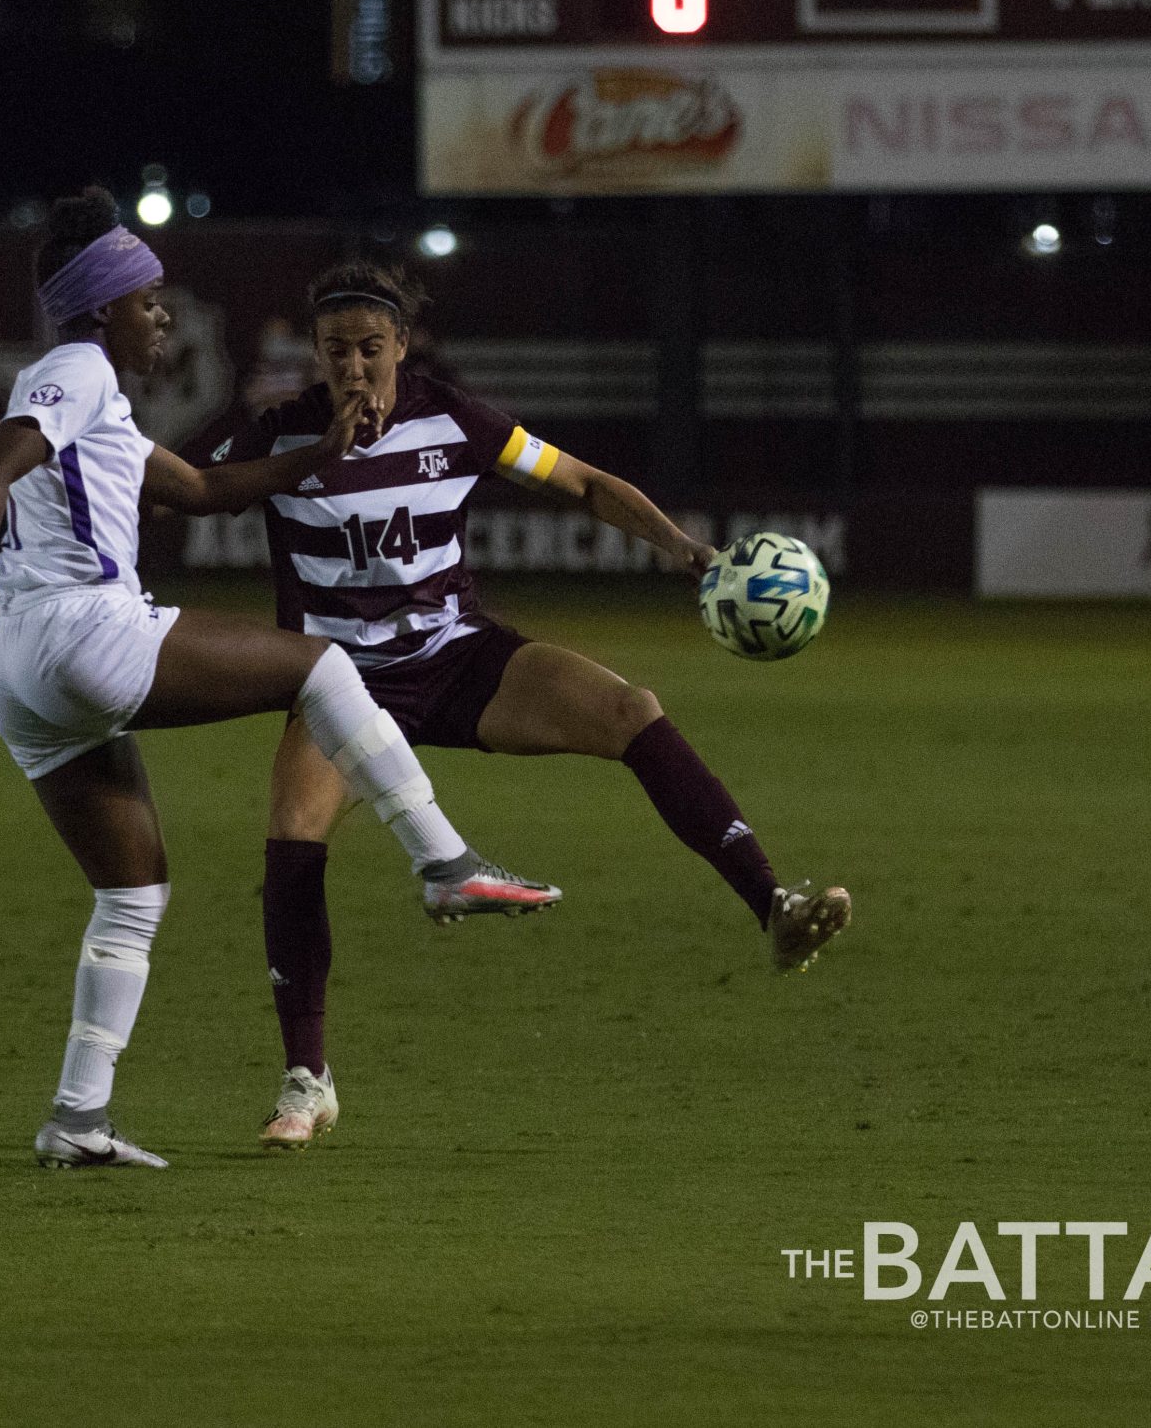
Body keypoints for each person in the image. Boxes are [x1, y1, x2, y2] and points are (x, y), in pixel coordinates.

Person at [0, 191, 557, 1173]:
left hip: (18, 673)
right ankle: (444, 865)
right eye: (147, 300)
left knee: (131, 896)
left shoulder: (103, 406)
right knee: (325, 664)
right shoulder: (75, 369)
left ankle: (76, 1118)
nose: (162, 316)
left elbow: (208, 490)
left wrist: (320, 456)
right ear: (102, 310)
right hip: (74, 627)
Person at [215, 262, 852, 1150]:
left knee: (631, 708)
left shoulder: (456, 419)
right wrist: (308, 455)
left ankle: (774, 907)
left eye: (370, 348)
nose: (353, 367)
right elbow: (197, 491)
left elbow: (580, 482)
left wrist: (678, 545)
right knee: (292, 837)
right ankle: (306, 1078)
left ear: (402, 344)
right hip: (335, 680)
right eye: (335, 351)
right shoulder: (280, 431)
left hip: (457, 657)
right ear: (314, 355)